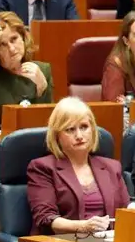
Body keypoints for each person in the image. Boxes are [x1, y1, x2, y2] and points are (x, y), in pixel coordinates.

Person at [26, 97, 129, 234]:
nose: (79, 135)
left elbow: (126, 213)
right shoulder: (42, 168)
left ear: (93, 130)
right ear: (57, 136)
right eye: (70, 129)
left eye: (84, 127)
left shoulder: (112, 167)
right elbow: (45, 219)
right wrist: (83, 227)